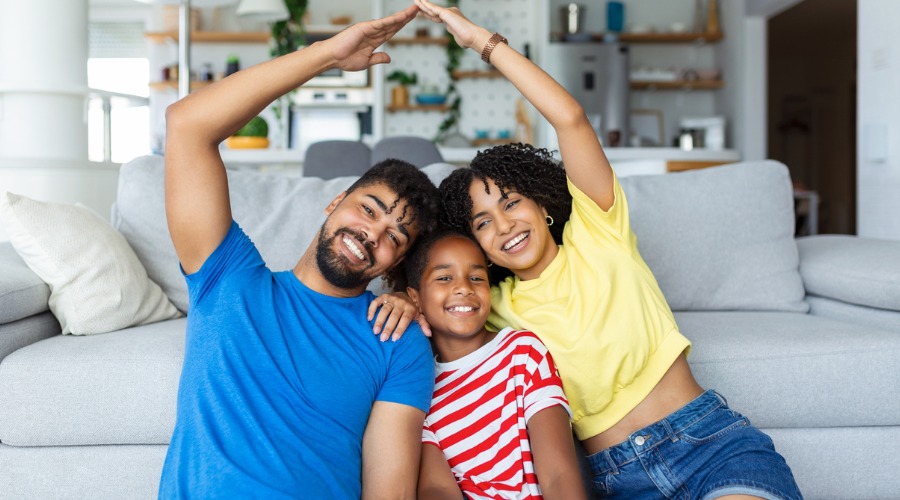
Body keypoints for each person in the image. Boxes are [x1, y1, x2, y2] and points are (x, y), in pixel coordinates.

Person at [415, 1, 803, 498]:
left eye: (511, 202)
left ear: (542, 204)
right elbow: (435, 290)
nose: (505, 224)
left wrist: (482, 43)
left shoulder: (598, 228)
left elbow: (570, 118)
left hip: (709, 446)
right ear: (479, 248)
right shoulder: (496, 308)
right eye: (483, 223)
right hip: (617, 480)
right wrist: (405, 301)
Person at [159, 6, 440, 498]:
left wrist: (412, 298)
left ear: (395, 261)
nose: (374, 233)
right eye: (369, 209)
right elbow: (187, 125)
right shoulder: (227, 275)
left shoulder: (398, 342)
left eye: (395, 236)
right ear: (335, 202)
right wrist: (328, 54)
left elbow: (388, 491)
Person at [404, 228, 586, 500]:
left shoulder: (522, 352)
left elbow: (558, 473)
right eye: (444, 277)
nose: (464, 287)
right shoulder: (419, 387)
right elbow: (436, 489)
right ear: (415, 298)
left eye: (477, 278)